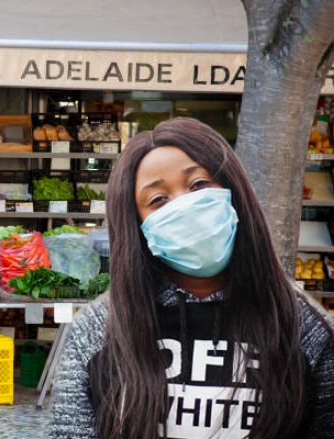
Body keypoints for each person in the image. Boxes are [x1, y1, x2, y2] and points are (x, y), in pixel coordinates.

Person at [51, 118, 334, 438]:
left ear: (234, 192)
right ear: (137, 226)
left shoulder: (303, 328)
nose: (185, 205)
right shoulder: (98, 329)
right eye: (158, 199)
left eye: (198, 185)